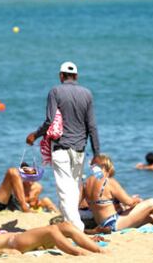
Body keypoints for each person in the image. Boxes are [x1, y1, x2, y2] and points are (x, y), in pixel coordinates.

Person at [26, 61, 101, 231]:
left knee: (64, 190)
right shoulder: (87, 94)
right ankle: (72, 225)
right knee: (74, 188)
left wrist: (35, 135)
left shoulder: (55, 91)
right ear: (76, 76)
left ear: (61, 75)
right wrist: (97, 152)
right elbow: (92, 126)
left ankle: (76, 228)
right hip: (80, 150)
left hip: (61, 148)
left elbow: (50, 120)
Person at [83, 154, 153, 232]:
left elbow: (88, 203)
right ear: (105, 166)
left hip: (102, 224)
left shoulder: (86, 183)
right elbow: (129, 202)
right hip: (113, 223)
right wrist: (136, 200)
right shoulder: (108, 181)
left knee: (149, 217)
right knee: (152, 203)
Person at [0, 221, 103, 256]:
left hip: (22, 239)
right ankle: (79, 254)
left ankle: (98, 251)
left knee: (66, 225)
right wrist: (3, 250)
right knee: (52, 229)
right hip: (14, 243)